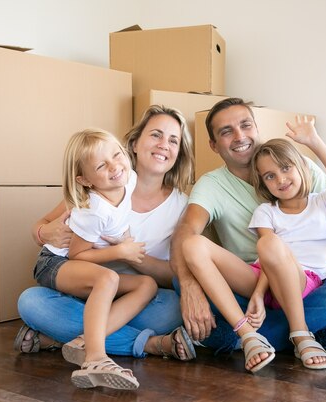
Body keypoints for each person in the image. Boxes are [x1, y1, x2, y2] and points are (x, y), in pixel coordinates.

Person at [171, 98, 326, 368]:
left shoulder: (300, 165)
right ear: (214, 145)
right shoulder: (213, 185)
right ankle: (317, 330)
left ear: (257, 128)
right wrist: (189, 285)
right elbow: (187, 232)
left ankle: (245, 338)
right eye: (226, 131)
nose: (240, 136)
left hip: (307, 282)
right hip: (253, 282)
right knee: (181, 276)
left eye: (245, 125)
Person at [15, 105, 196, 366]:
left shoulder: (181, 205)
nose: (163, 145)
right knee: (31, 302)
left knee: (172, 308)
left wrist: (132, 255)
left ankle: (60, 338)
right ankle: (146, 344)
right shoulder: (100, 187)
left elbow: (173, 274)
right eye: (156, 135)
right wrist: (43, 232)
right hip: (81, 289)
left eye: (173, 140)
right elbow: (42, 226)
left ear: (179, 152)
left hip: (130, 296)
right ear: (134, 143)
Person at [34, 127, 161, 390]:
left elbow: (120, 219)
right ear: (85, 180)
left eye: (117, 155)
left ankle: (83, 341)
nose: (116, 167)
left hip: (77, 263)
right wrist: (120, 251)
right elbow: (76, 254)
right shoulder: (93, 209)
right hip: (54, 264)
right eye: (102, 165)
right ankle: (95, 358)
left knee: (147, 284)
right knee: (108, 278)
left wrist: (122, 239)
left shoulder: (130, 179)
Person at [247, 115, 326, 370]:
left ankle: (283, 331)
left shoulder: (324, 202)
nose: (281, 180)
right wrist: (258, 294)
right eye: (270, 176)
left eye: (286, 168)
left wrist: (314, 142)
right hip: (263, 277)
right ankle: (308, 330)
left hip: (304, 282)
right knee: (196, 264)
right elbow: (268, 256)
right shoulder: (266, 211)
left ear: (303, 167)